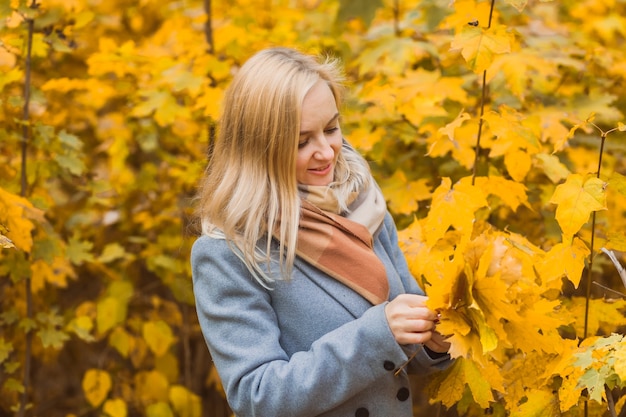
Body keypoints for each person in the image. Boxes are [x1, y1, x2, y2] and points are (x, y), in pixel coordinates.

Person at [191, 47, 451, 417]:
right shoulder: (227, 252)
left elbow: (405, 338)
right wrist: (377, 336)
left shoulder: (364, 207)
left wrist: (433, 345)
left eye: (331, 128)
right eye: (301, 142)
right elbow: (256, 396)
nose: (327, 152)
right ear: (258, 149)